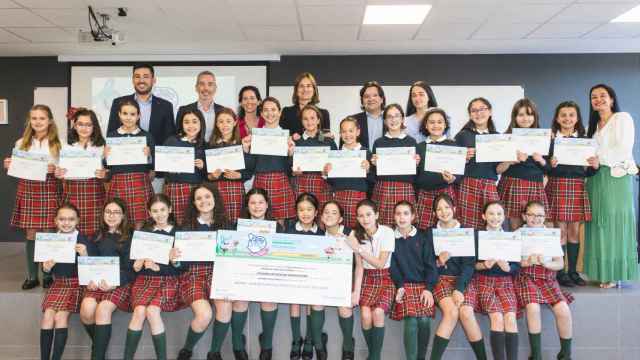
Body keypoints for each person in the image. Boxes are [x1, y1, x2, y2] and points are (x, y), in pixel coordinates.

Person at [584, 84, 639, 288]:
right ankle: (601, 271)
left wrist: (599, 159)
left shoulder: (622, 118)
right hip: (596, 178)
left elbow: (624, 148)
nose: (598, 99)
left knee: (615, 221)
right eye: (593, 97)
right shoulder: (594, 125)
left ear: (612, 99)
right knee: (598, 222)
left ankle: (616, 273)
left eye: (602, 96)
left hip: (616, 175)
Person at [5, 104, 62, 290]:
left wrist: (56, 170)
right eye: (34, 118)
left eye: (42, 118)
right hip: (28, 189)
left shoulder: (59, 144)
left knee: (48, 232)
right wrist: (9, 165)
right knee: (31, 233)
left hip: (49, 188)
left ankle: (47, 274)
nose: (38, 122)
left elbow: (65, 171)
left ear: (50, 121)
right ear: (30, 121)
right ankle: (31, 276)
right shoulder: (21, 143)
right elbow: (17, 169)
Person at [124, 194, 183, 360]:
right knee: (139, 311)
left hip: (169, 281)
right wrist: (139, 264)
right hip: (144, 281)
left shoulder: (179, 233)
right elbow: (133, 266)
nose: (160, 214)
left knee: (152, 310)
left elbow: (181, 268)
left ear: (170, 209)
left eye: (163, 210)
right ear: (149, 212)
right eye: (155, 211)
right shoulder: (143, 233)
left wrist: (165, 264)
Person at [174, 183, 229, 360]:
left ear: (215, 199)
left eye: (207, 197)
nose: (203, 201)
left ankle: (214, 352)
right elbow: (180, 265)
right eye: (199, 198)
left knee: (225, 307)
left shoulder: (226, 225)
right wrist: (175, 260)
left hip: (218, 274)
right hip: (193, 275)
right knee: (204, 314)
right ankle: (187, 349)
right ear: (193, 203)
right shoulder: (185, 227)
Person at [514, 201, 574, 360]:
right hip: (526, 276)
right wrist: (524, 262)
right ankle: (536, 355)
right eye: (531, 215)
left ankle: (565, 354)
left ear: (545, 217)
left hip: (547, 277)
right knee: (533, 308)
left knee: (563, 309)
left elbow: (560, 263)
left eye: (539, 215)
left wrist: (547, 263)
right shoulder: (518, 234)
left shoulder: (550, 234)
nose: (535, 218)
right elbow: (513, 261)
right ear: (524, 216)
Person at [547, 101, 598, 287]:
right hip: (558, 185)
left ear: (577, 118)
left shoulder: (585, 140)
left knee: (575, 231)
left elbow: (588, 172)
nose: (567, 118)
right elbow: (545, 169)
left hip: (577, 186)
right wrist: (549, 165)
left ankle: (573, 271)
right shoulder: (551, 141)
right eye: (563, 115)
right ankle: (560, 273)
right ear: (557, 119)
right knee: (560, 230)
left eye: (571, 115)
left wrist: (594, 167)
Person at [462, 201, 520, 360]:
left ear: (504, 216)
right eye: (491, 214)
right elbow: (469, 265)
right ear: (483, 216)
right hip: (484, 281)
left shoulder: (511, 236)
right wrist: (483, 265)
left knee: (510, 318)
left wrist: (509, 268)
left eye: (499, 214)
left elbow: (517, 266)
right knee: (497, 317)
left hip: (506, 282)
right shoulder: (477, 236)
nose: (495, 217)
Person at [79, 198, 135, 360]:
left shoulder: (130, 238)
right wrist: (89, 276)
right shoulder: (97, 235)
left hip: (119, 283)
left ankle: (97, 355)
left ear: (123, 216)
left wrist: (113, 284)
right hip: (97, 283)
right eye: (108, 212)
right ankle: (99, 345)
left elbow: (131, 270)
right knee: (87, 309)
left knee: (103, 309)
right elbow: (92, 263)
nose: (111, 215)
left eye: (116, 212)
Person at [429, 194, 479, 360]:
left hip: (463, 280)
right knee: (451, 312)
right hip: (441, 279)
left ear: (454, 209)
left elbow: (469, 265)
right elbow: (426, 264)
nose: (443, 212)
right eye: (439, 209)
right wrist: (438, 262)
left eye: (447, 207)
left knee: (466, 312)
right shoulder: (431, 234)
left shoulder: (465, 232)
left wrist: (459, 288)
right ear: (435, 213)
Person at [344, 199, 395, 360]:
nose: (365, 219)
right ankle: (374, 354)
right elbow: (359, 267)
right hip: (367, 278)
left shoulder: (387, 232)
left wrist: (358, 248)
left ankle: (374, 356)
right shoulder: (354, 234)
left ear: (376, 215)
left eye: (368, 214)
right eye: (360, 216)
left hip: (385, 277)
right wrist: (355, 292)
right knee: (366, 316)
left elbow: (380, 263)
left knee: (378, 313)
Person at [39, 203, 91, 360]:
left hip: (76, 284)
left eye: (71, 219)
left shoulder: (83, 240)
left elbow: (91, 269)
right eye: (62, 219)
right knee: (48, 317)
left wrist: (85, 255)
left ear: (77, 221)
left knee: (60, 317)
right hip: (59, 284)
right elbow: (46, 270)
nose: (66, 223)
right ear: (55, 221)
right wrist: (46, 268)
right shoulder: (50, 240)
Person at [389, 201, 438, 360]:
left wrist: (428, 289)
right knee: (411, 319)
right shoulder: (391, 238)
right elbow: (393, 267)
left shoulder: (422, 237)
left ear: (413, 216)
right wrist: (400, 286)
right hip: (403, 285)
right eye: (398, 213)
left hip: (423, 286)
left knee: (424, 321)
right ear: (393, 216)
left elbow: (431, 266)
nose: (401, 217)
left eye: (405, 213)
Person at [284, 193, 327, 360]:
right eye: (301, 210)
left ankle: (309, 339)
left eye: (309, 209)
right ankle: (296, 339)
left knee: (311, 301)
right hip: (294, 276)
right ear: (296, 211)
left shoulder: (322, 234)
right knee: (294, 301)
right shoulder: (289, 231)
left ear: (316, 212)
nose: (305, 213)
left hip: (313, 278)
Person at [497, 98, 549, 230]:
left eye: (529, 114)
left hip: (535, 185)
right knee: (515, 227)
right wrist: (511, 160)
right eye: (521, 115)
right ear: (515, 117)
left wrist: (541, 160)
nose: (525, 118)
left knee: (535, 227)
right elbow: (498, 169)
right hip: (512, 184)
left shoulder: (543, 138)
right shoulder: (506, 138)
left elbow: (549, 169)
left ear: (535, 116)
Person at [320, 200, 362, 360]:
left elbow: (359, 265)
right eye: (326, 212)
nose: (329, 215)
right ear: (321, 216)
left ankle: (348, 344)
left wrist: (355, 290)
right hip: (325, 275)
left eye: (334, 213)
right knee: (315, 302)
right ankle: (318, 342)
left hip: (347, 276)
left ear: (340, 219)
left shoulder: (350, 234)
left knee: (344, 307)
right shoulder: (319, 234)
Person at [243, 97, 296, 222]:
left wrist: (291, 154)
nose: (269, 113)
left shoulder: (287, 136)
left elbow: (291, 168)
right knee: (259, 220)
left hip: (280, 181)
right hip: (260, 180)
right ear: (261, 113)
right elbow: (250, 166)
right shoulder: (255, 136)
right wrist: (246, 150)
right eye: (266, 110)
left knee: (280, 223)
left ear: (279, 112)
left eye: (273, 109)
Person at [56, 108, 107, 238]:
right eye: (80, 124)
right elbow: (58, 169)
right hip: (72, 192)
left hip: (95, 193)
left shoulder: (102, 146)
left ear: (94, 127)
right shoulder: (65, 145)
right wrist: (58, 173)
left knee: (96, 232)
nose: (84, 128)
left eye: (88, 125)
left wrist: (105, 173)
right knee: (70, 231)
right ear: (74, 125)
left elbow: (109, 172)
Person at [104, 99, 155, 230]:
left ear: (138, 116)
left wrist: (149, 155)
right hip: (118, 183)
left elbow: (154, 165)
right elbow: (107, 166)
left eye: (132, 114)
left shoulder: (147, 136)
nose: (128, 117)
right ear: (119, 115)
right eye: (125, 113)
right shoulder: (112, 136)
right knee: (118, 221)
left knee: (140, 222)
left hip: (140, 183)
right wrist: (104, 157)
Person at [454, 98, 501, 229]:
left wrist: (509, 160)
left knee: (492, 226)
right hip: (468, 184)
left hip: (489, 185)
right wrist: (463, 158)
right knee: (468, 226)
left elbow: (498, 169)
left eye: (482, 109)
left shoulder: (498, 137)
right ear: (470, 114)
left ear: (490, 111)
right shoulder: (462, 136)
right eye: (474, 110)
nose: (478, 113)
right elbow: (453, 166)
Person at [371, 104, 419, 226]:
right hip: (383, 189)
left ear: (402, 119)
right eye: (389, 117)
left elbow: (415, 172)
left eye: (397, 116)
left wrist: (416, 164)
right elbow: (374, 172)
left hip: (405, 188)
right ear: (385, 121)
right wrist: (373, 164)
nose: (393, 120)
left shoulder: (411, 141)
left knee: (405, 225)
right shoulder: (379, 142)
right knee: (383, 226)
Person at [415, 108, 458, 230]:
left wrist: (453, 178)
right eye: (432, 122)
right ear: (426, 125)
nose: (436, 125)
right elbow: (415, 176)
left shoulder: (453, 145)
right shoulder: (419, 147)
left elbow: (459, 174)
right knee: (424, 229)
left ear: (445, 125)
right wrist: (414, 165)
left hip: (446, 193)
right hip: (425, 194)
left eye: (440, 122)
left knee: (448, 230)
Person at [208, 109, 253, 224]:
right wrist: (212, 176)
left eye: (228, 121)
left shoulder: (242, 145)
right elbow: (205, 174)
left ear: (234, 123)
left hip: (236, 189)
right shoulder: (210, 146)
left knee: (236, 222)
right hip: (215, 189)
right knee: (217, 221)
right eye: (221, 121)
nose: (224, 125)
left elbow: (250, 170)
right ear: (216, 124)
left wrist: (239, 175)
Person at [324, 117, 371, 228]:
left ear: (358, 132)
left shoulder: (366, 152)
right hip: (339, 196)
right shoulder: (335, 154)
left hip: (358, 196)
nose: (347, 134)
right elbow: (332, 181)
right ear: (340, 134)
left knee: (358, 229)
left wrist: (368, 170)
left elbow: (372, 179)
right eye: (344, 131)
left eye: (351, 131)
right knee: (339, 229)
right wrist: (326, 173)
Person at [162, 109, 207, 225]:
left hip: (197, 191)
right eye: (186, 122)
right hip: (175, 189)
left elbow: (209, 175)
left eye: (194, 121)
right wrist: (170, 168)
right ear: (181, 125)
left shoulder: (205, 144)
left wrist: (203, 166)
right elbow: (162, 168)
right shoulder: (172, 141)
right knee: (174, 223)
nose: (191, 125)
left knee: (195, 222)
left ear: (201, 123)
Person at [291, 105, 337, 210]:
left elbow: (336, 165)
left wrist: (328, 171)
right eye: (305, 119)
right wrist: (293, 171)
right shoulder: (296, 141)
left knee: (322, 218)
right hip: (300, 183)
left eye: (312, 118)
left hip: (323, 184)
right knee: (302, 216)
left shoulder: (328, 141)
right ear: (301, 121)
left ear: (318, 120)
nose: (309, 122)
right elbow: (289, 164)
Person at [176, 71, 226, 142]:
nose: (206, 88)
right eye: (202, 84)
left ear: (215, 88)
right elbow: (179, 136)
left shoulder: (223, 111)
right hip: (192, 151)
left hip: (216, 151)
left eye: (210, 84)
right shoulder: (183, 110)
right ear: (196, 87)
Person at [280, 72, 330, 137]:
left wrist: (324, 136)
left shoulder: (323, 113)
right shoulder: (286, 112)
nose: (305, 89)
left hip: (315, 147)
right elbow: (283, 137)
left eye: (308, 86)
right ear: (296, 90)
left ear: (314, 90)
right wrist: (292, 138)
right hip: (292, 147)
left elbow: (324, 140)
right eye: (301, 86)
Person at [348, 81, 386, 150]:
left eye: (375, 95)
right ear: (362, 101)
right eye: (366, 96)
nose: (371, 99)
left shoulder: (391, 120)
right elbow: (344, 148)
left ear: (381, 99)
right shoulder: (352, 121)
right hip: (360, 160)